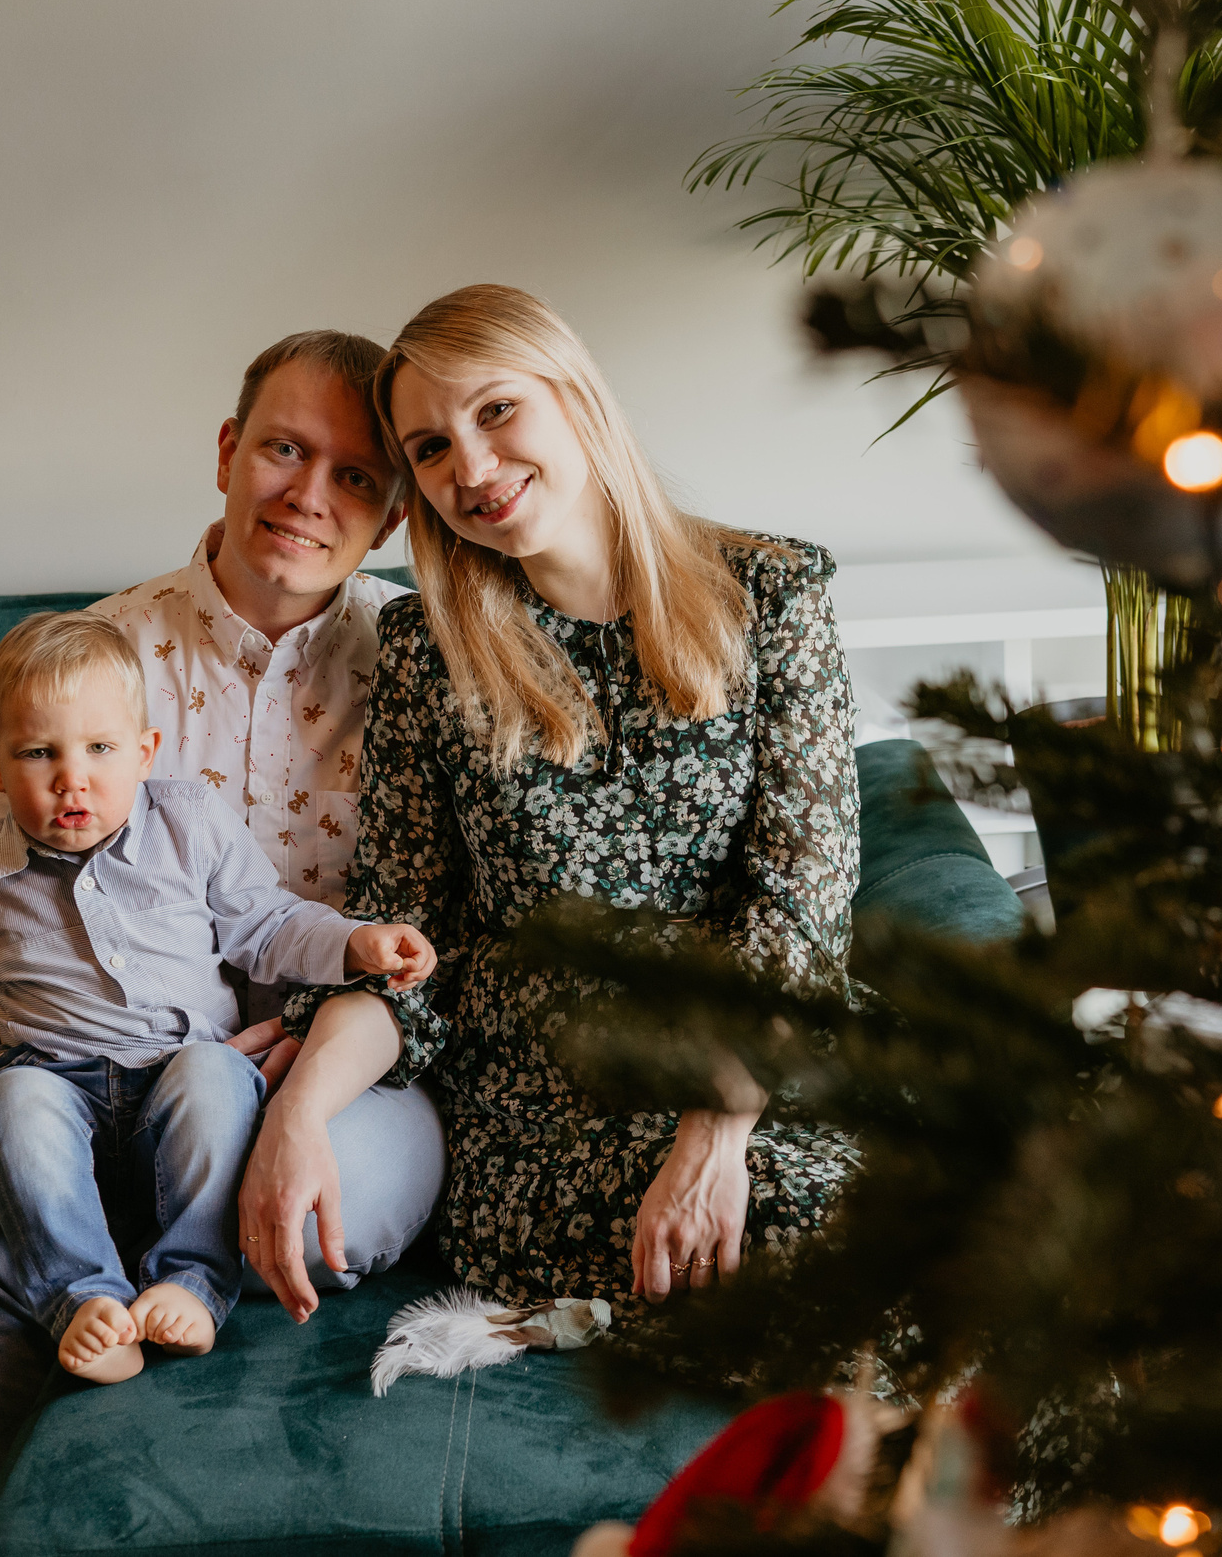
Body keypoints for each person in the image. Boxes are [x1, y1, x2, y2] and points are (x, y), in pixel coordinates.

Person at [0, 331, 449, 1556]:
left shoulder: (425, 672)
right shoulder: (87, 660)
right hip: (84, 1074)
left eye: (352, 475)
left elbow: (417, 955)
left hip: (323, 1089)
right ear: (229, 453)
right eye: (285, 450)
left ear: (388, 514)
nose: (307, 495)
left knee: (328, 1200)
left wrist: (288, 1108)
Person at [237, 284, 863, 1329]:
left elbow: (800, 907)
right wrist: (296, 1115)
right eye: (429, 448)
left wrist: (713, 1139)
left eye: (495, 411)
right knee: (813, 1246)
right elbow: (403, 944)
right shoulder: (429, 653)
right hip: (545, 1117)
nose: (470, 470)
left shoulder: (772, 593)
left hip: (759, 1071)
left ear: (574, 396)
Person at [0, 612, 436, 1386]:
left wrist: (353, 942)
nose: (73, 776)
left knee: (214, 1079)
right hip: (56, 1082)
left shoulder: (189, 824)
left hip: (182, 1069)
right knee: (12, 1104)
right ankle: (84, 1301)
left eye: (101, 749)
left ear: (144, 754)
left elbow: (266, 926)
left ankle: (193, 1281)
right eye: (40, 752)